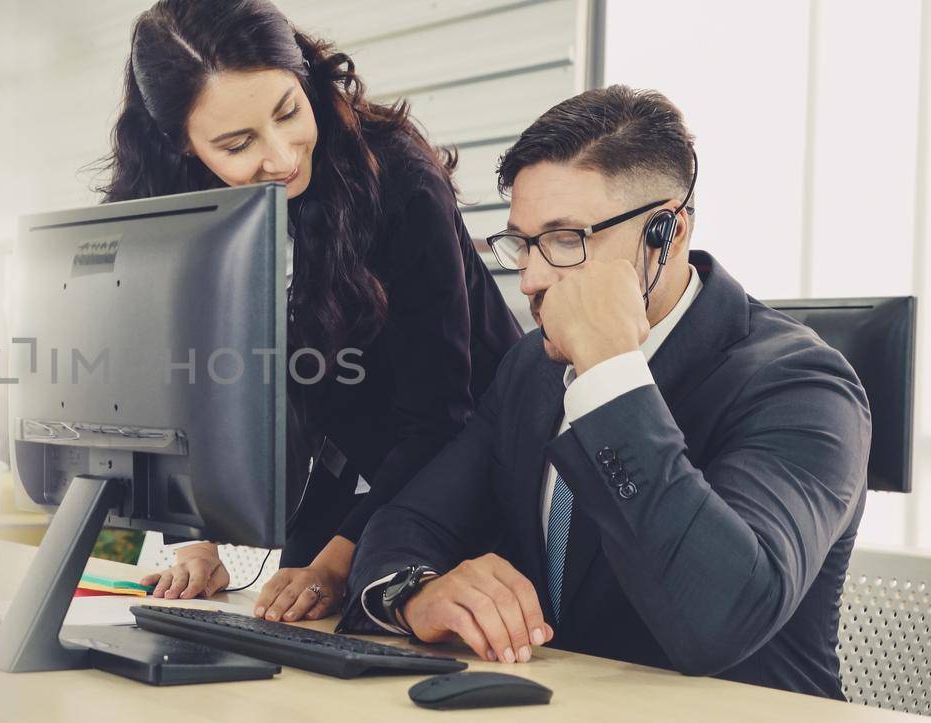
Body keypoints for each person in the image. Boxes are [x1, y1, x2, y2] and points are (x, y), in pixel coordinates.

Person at [343, 85, 871, 699]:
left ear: (665, 234)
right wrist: (418, 595)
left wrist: (610, 374)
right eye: (523, 243)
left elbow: (717, 623)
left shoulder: (803, 386)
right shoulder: (530, 368)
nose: (533, 279)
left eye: (568, 240)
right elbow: (406, 522)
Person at [99, 0, 522, 623]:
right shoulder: (175, 215)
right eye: (238, 143)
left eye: (288, 111)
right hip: (350, 468)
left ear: (303, 76)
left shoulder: (397, 178)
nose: (282, 156)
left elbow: (440, 417)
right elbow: (197, 384)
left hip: (468, 470)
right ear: (182, 147)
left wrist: (335, 562)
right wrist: (204, 537)